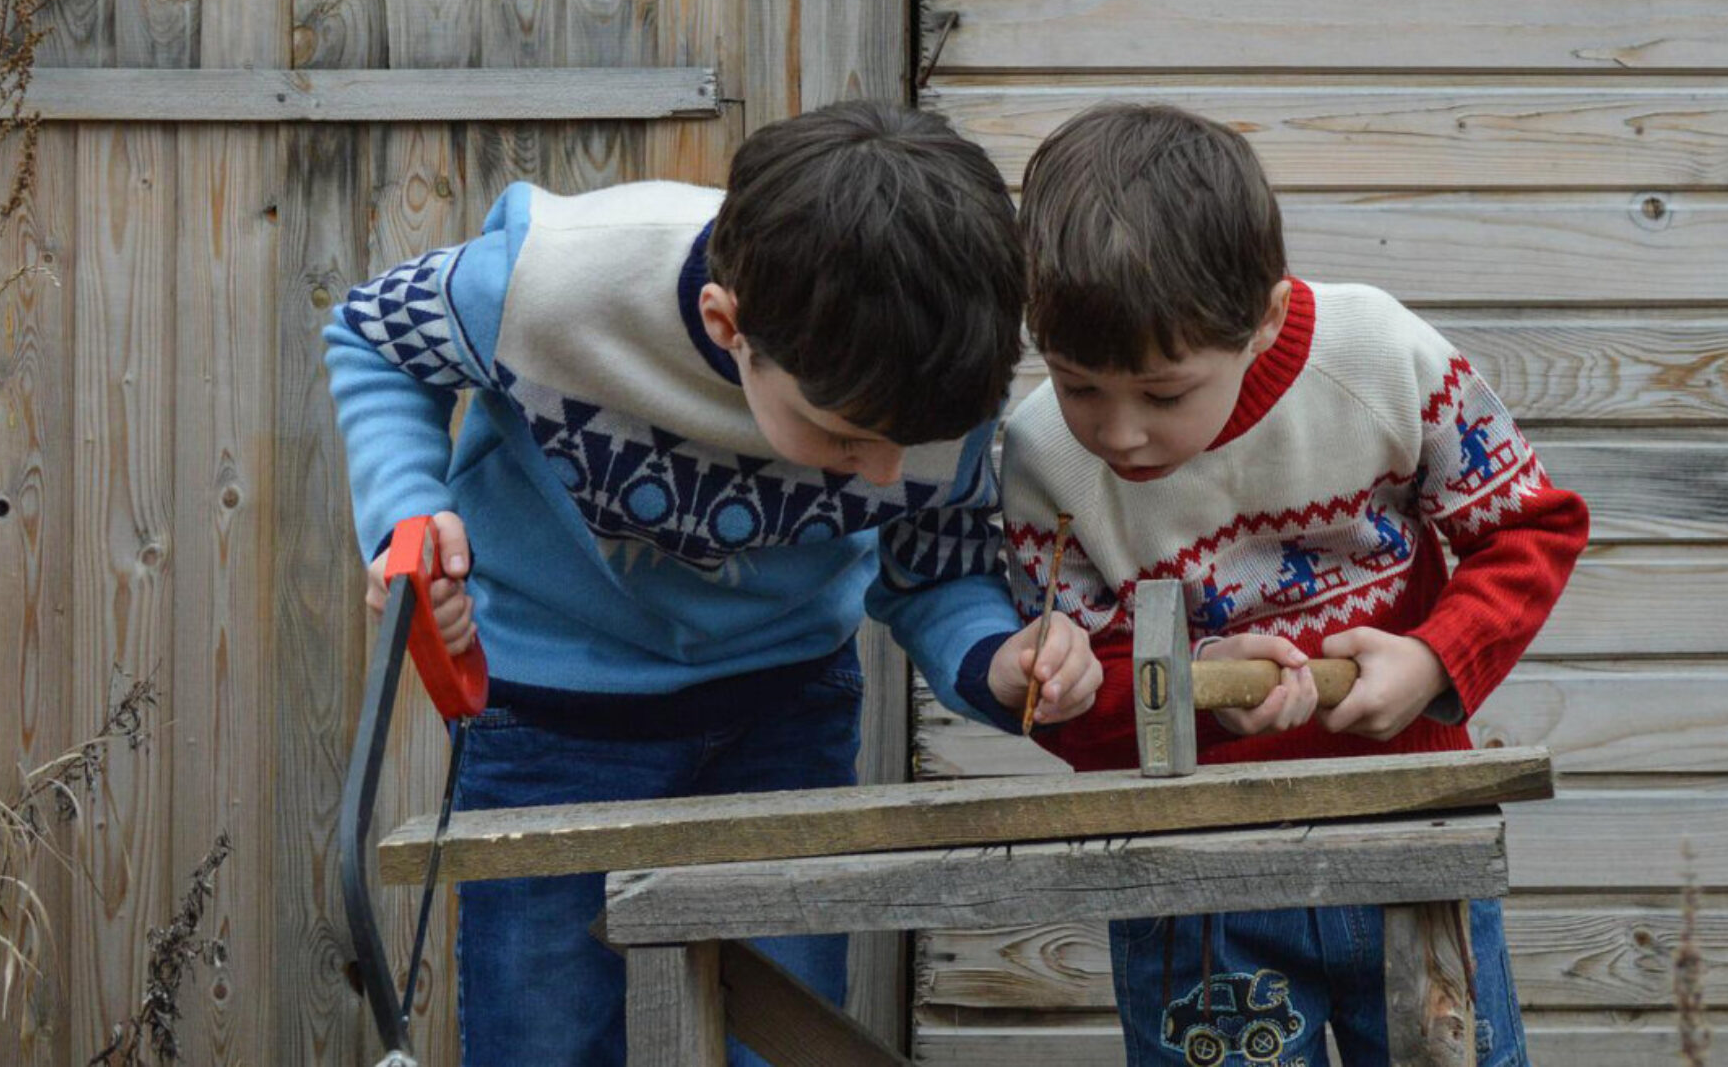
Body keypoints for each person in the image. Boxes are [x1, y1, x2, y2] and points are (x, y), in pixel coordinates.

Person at [324, 101, 1098, 1063]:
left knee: (790, 1035)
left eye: (912, 444)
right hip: (549, 721)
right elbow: (371, 335)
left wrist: (1000, 662)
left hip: (785, 711)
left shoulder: (942, 377)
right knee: (544, 1039)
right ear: (726, 325)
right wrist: (406, 511)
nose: (888, 473)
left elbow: (935, 576)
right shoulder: (558, 284)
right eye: (847, 438)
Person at [1004, 103, 1589, 1066]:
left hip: (1409, 843)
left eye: (1163, 393)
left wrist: (1433, 659)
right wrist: (1192, 686)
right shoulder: (1038, 460)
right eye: (1078, 385)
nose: (1117, 433)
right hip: (1191, 889)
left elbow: (1528, 528)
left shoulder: (1382, 360)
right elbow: (1065, 697)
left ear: (1265, 316)